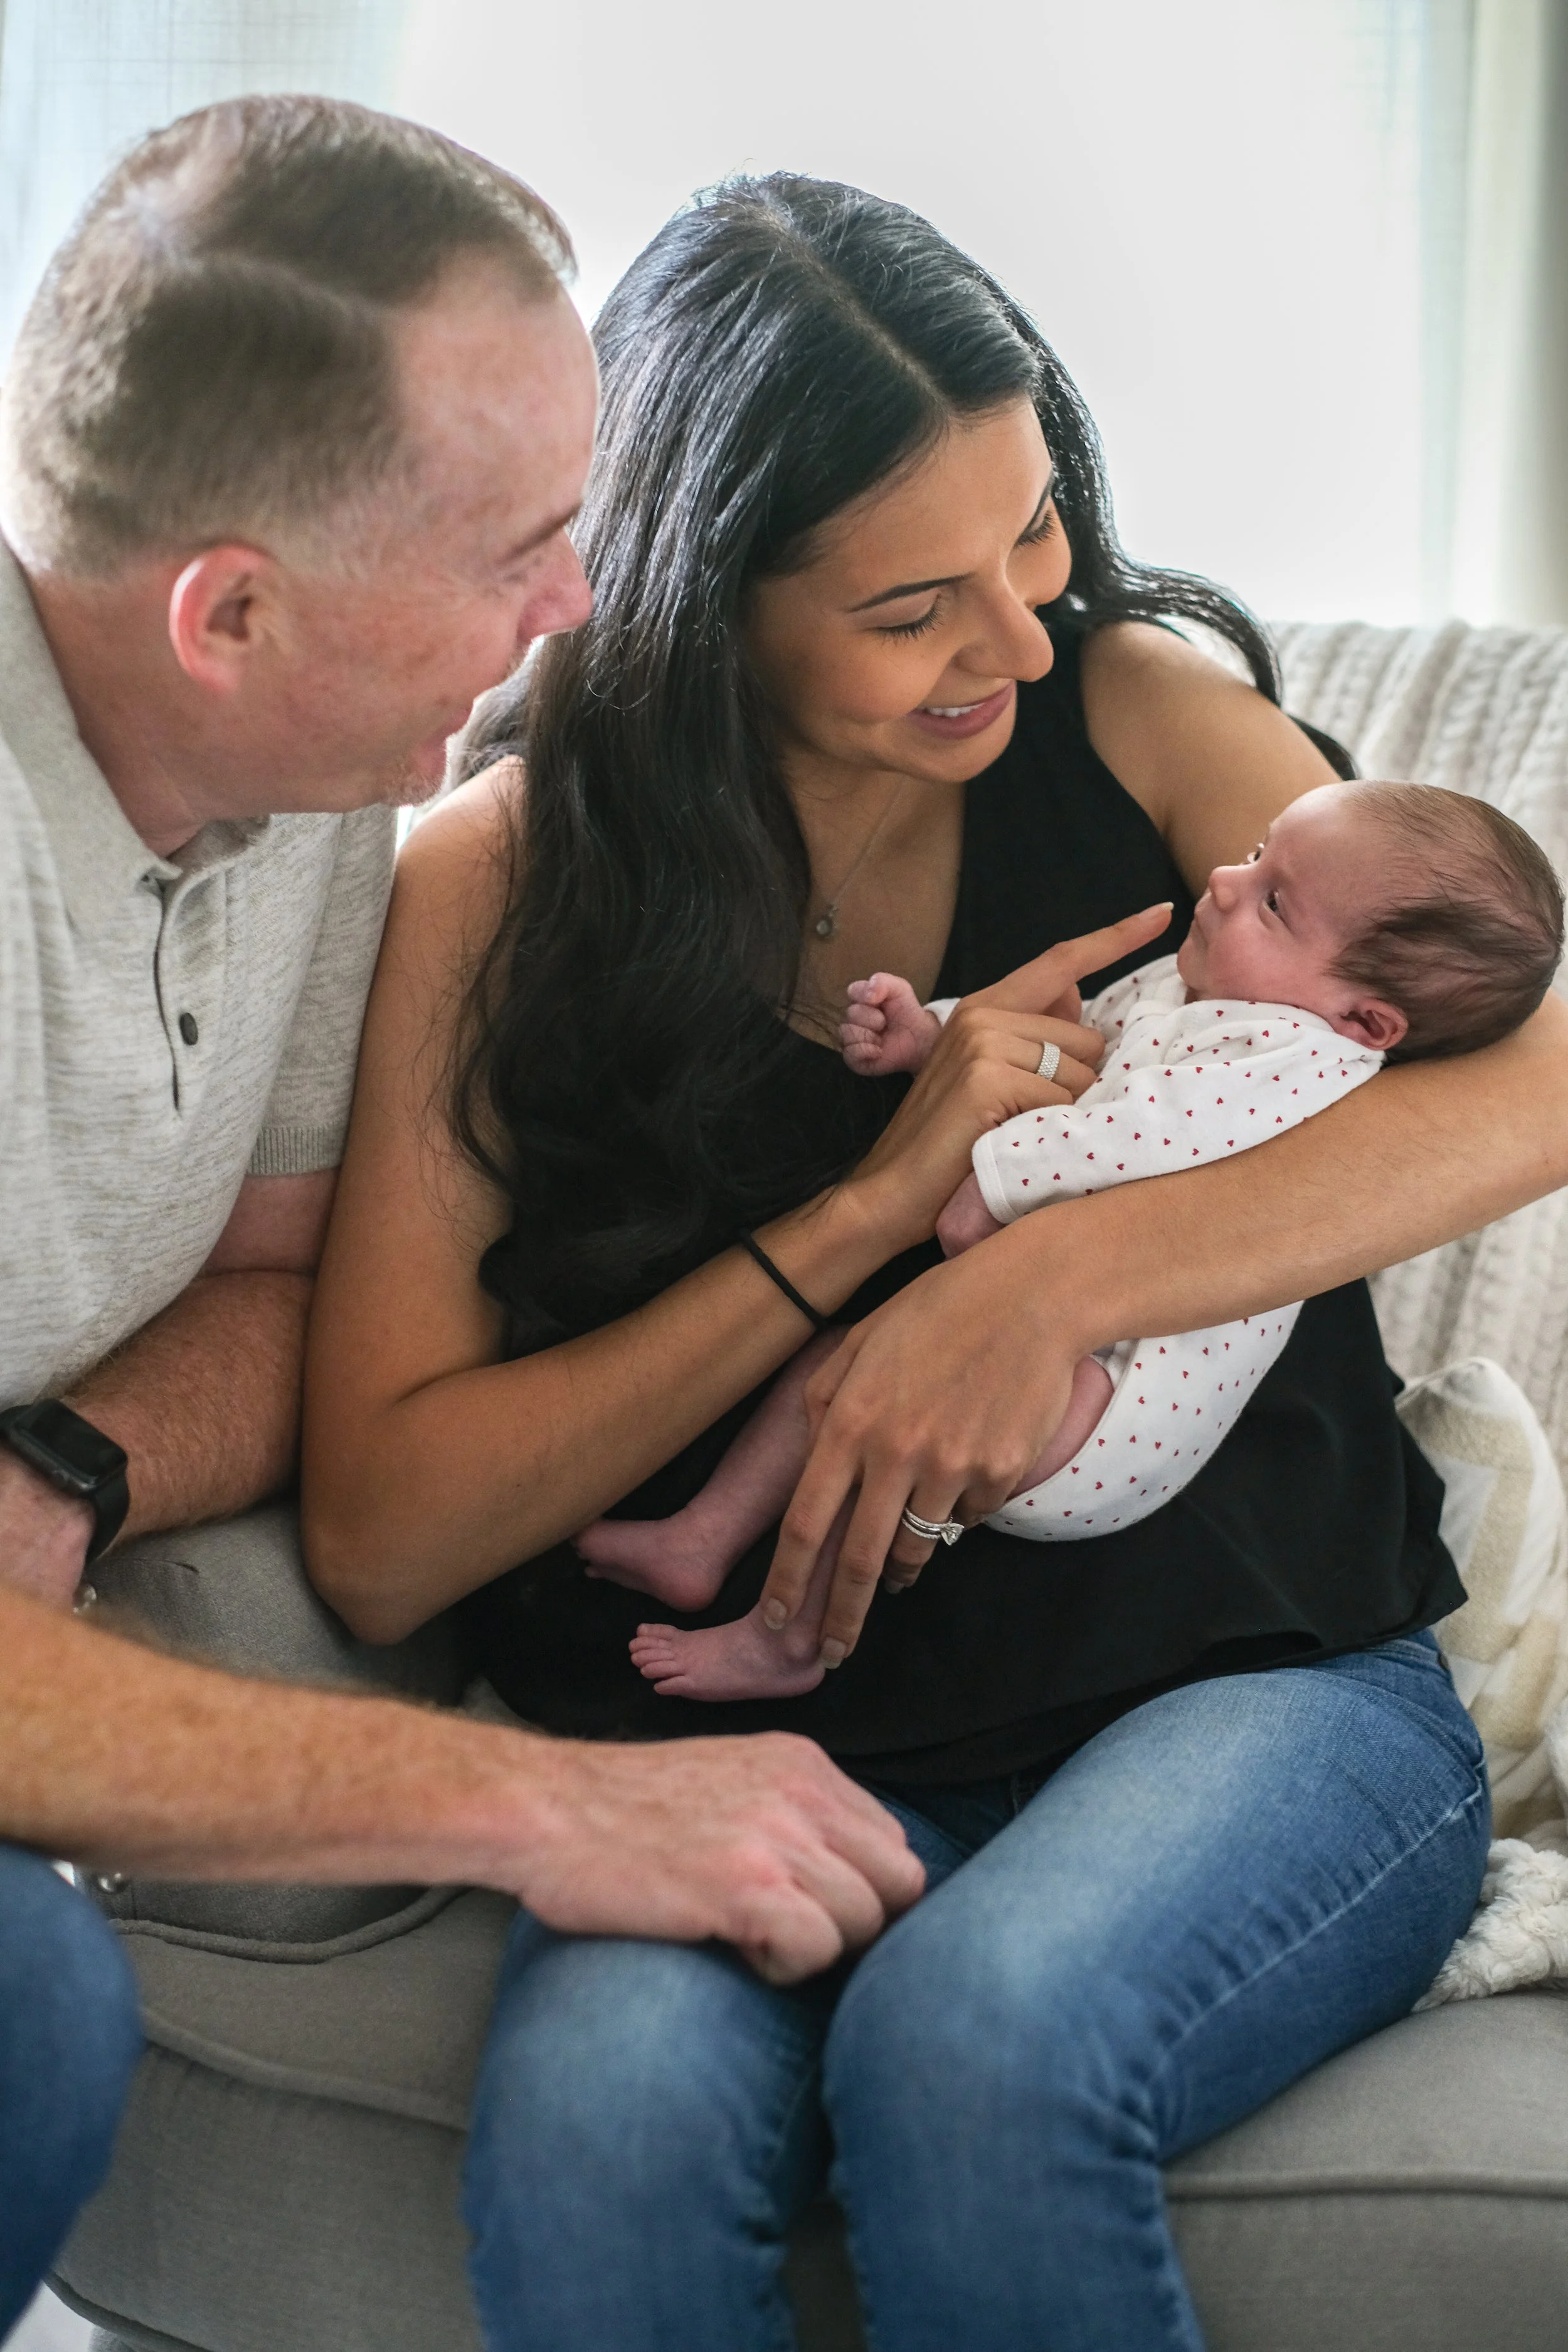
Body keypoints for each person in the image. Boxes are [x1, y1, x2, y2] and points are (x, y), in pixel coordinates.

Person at [304, 171, 1568, 2350]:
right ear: (699, 597)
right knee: (605, 2130)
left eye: (1036, 531)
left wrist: (1040, 1284)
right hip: (725, 1731)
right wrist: (871, 1227)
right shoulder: (500, 886)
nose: (1016, 633)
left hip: (1249, 1684)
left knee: (979, 2051)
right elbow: (393, 1537)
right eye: (913, 604)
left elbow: (1531, 1081)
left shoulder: (1147, 713)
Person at [0, 110, 921, 2339]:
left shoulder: (322, 774)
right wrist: (549, 1812)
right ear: (229, 607)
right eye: (521, 544)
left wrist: (69, 1465)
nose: (582, 608)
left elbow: (280, 1279)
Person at [585, 778, 1565, 1700]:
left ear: (1366, 1018)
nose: (1226, 882)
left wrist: (993, 1175)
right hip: (1063, 1342)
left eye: (1274, 902)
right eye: (1258, 853)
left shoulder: (1301, 1057)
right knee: (854, 1364)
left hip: (1119, 1404)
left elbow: (1135, 1138)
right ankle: (703, 1537)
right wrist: (936, 1037)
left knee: (897, 1417)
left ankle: (788, 1640)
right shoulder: (1194, 994)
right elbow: (1071, 1037)